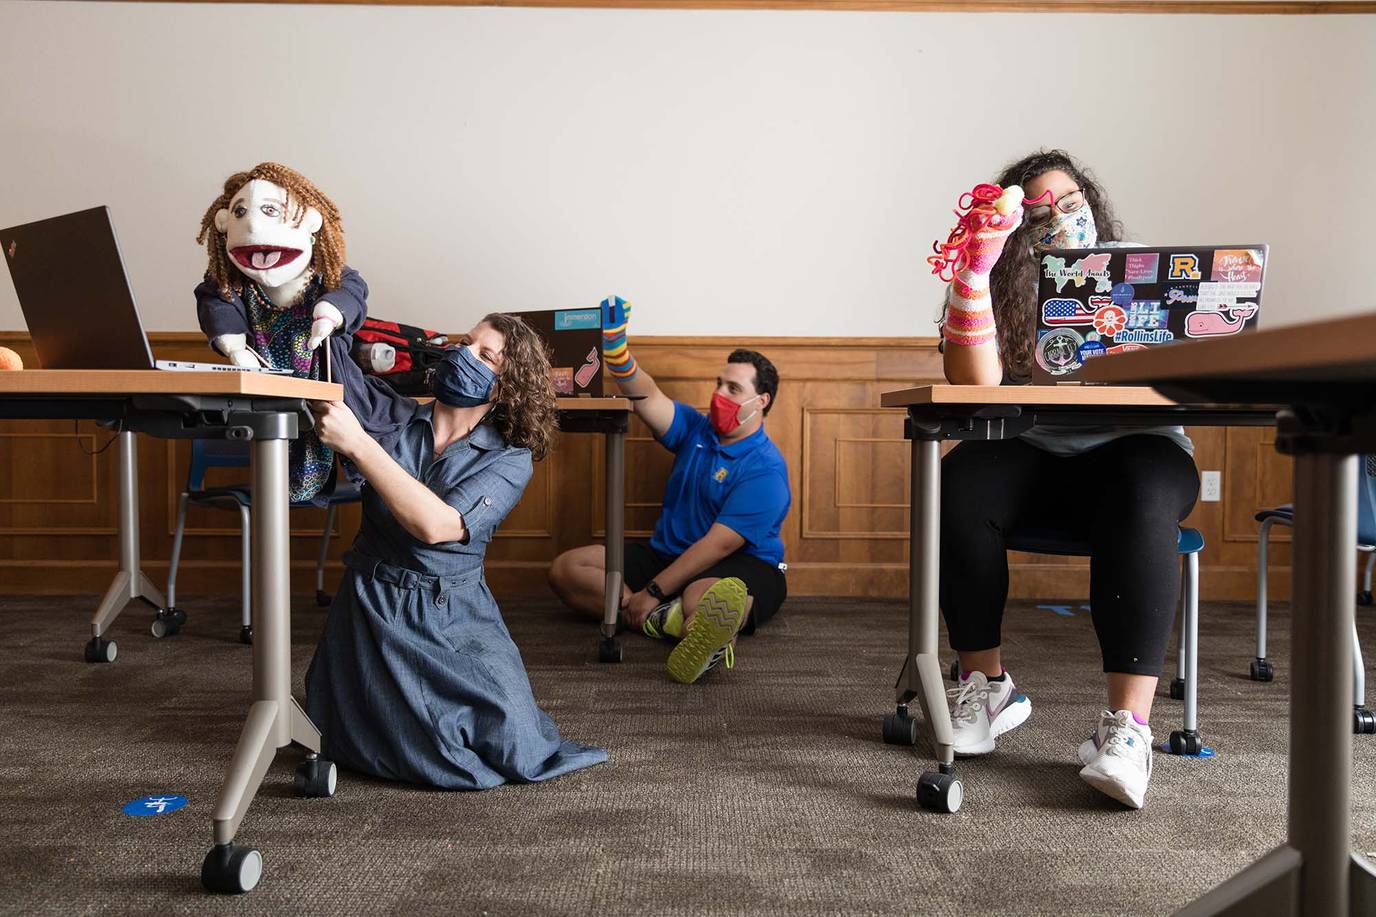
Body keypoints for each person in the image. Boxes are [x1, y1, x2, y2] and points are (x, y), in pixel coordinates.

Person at [933, 150, 1199, 809]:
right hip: (1036, 452)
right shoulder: (992, 274)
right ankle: (985, 685)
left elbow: (1186, 365)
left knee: (1141, 493)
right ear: (1018, 221)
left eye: (1073, 200)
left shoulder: (1135, 265)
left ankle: (1127, 731)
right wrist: (977, 271)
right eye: (1043, 209)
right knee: (960, 477)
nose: (1063, 216)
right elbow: (976, 387)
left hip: (1138, 450)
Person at [305, 313, 606, 789]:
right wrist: (331, 312)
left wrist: (360, 446)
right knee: (397, 745)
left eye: (485, 356)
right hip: (370, 604)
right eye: (467, 343)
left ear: (504, 388)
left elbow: (437, 525)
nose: (465, 356)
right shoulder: (392, 414)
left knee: (514, 746)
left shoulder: (511, 457)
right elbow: (328, 353)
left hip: (451, 609)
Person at [548, 297, 791, 685]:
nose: (720, 395)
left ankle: (686, 616)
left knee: (702, 595)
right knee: (568, 568)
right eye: (719, 384)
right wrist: (617, 353)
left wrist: (655, 589)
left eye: (733, 388)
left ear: (760, 402)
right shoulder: (696, 430)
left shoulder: (766, 469)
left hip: (744, 564)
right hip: (668, 552)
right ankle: (662, 619)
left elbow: (718, 547)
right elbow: (647, 395)